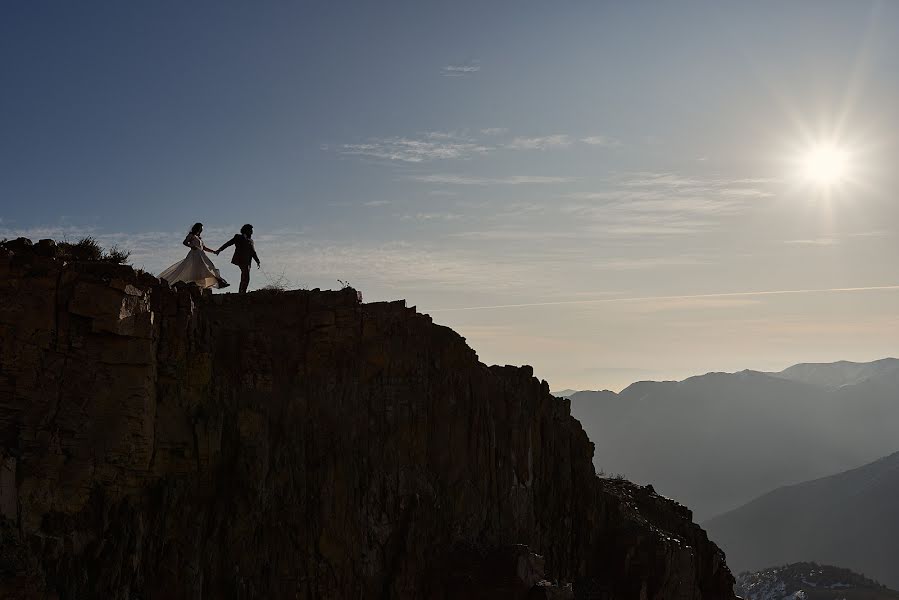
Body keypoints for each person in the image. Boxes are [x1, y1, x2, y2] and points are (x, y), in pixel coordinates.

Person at [159, 223, 229, 289]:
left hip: (201, 254)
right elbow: (185, 242)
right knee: (203, 269)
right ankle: (219, 282)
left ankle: (218, 281)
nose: (201, 230)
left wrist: (213, 251)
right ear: (197, 228)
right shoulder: (191, 235)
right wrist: (191, 246)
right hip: (195, 254)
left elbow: (204, 247)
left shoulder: (199, 238)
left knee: (210, 267)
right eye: (201, 228)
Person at [215, 224, 261, 294]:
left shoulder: (251, 241)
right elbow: (228, 243)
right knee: (246, 276)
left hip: (248, 261)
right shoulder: (238, 237)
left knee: (246, 277)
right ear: (246, 230)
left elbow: (253, 252)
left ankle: (242, 291)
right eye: (250, 230)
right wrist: (220, 249)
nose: (252, 231)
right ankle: (242, 292)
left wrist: (257, 261)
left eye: (252, 230)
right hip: (241, 260)